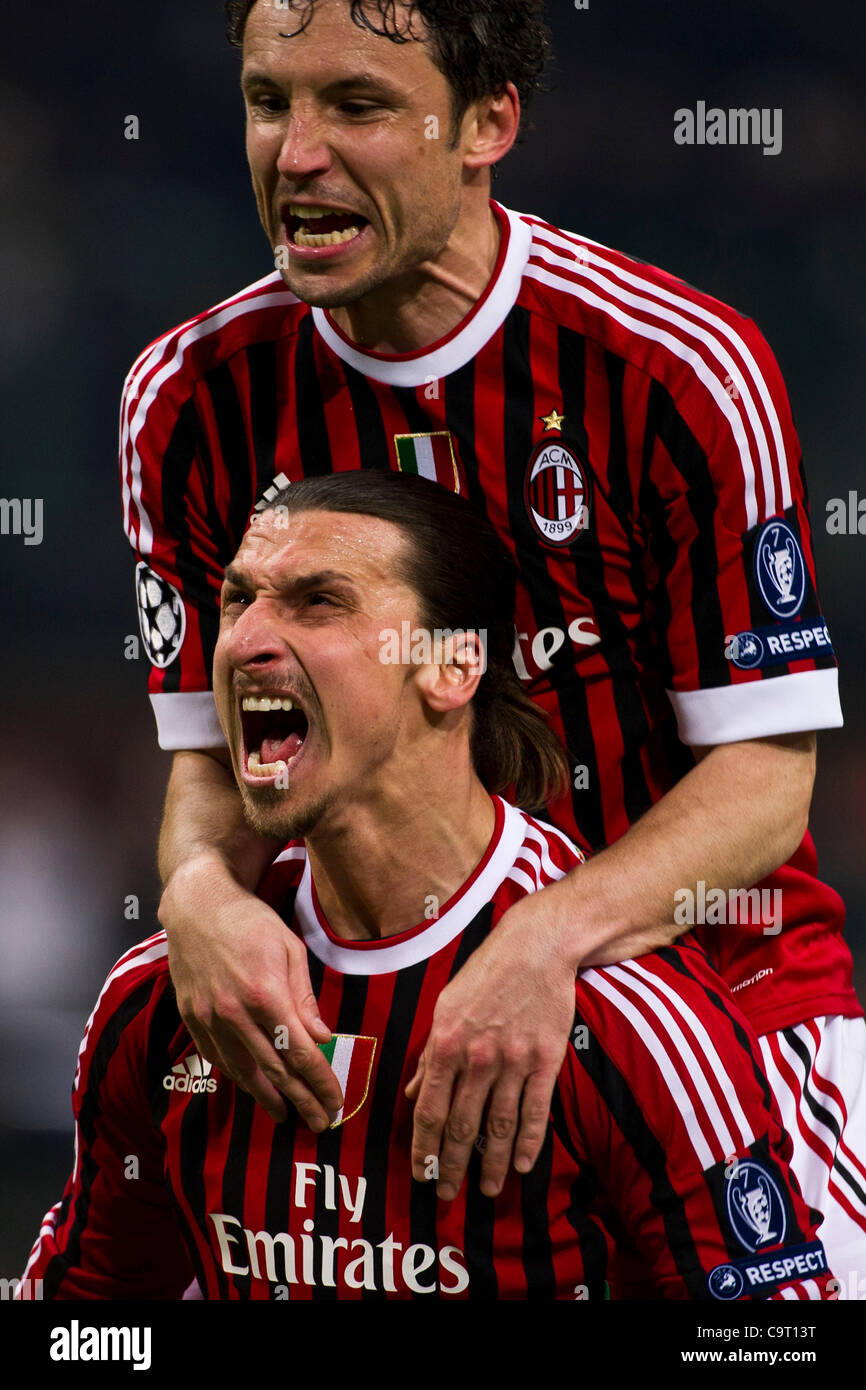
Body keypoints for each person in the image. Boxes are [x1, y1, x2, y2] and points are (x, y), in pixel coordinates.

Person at [119, 0, 866, 1282]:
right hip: (371, 1026)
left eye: (355, 106)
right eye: (265, 100)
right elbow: (208, 758)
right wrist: (195, 892)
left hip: (720, 995)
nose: (294, 154)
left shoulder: (679, 368)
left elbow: (764, 773)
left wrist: (544, 939)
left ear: (486, 123)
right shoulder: (185, 395)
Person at [24, 474, 833, 1300]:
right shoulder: (171, 994)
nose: (244, 643)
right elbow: (88, 1312)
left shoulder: (627, 1017)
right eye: (238, 601)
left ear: (452, 665)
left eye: (318, 603)